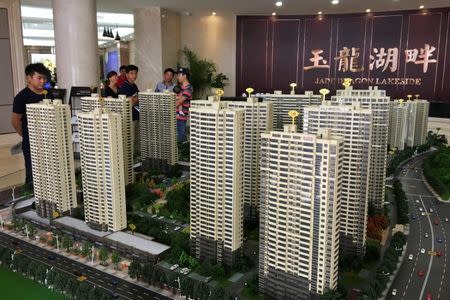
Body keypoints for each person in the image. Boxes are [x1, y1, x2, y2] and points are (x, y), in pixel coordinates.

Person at [11, 63, 52, 187]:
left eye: (44, 78)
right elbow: (15, 119)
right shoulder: (22, 97)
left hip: (48, 139)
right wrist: (25, 135)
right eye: (39, 78)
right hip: (31, 141)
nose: (43, 81)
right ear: (28, 78)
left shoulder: (47, 94)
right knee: (33, 171)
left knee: (49, 170)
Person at [175, 67, 193, 142]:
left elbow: (179, 102)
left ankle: (183, 153)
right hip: (176, 116)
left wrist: (168, 105)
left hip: (182, 118)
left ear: (185, 76)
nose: (177, 77)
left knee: (181, 139)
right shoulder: (180, 87)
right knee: (176, 139)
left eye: (179, 75)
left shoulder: (189, 88)